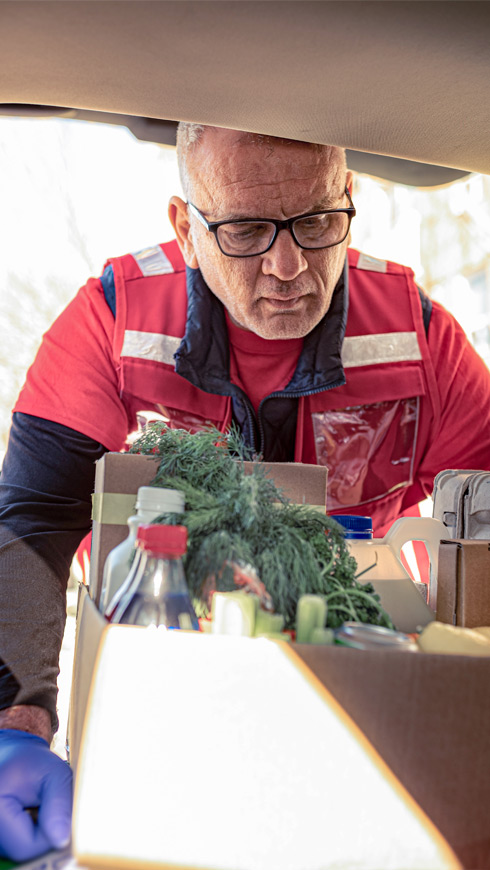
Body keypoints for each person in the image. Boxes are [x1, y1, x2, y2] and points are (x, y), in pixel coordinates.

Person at [1, 123, 490, 860]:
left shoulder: (420, 340)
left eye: (317, 222)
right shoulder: (114, 318)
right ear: (184, 226)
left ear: (350, 198)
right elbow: (35, 519)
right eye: (247, 230)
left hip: (365, 708)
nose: (288, 265)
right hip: (168, 694)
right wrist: (16, 725)